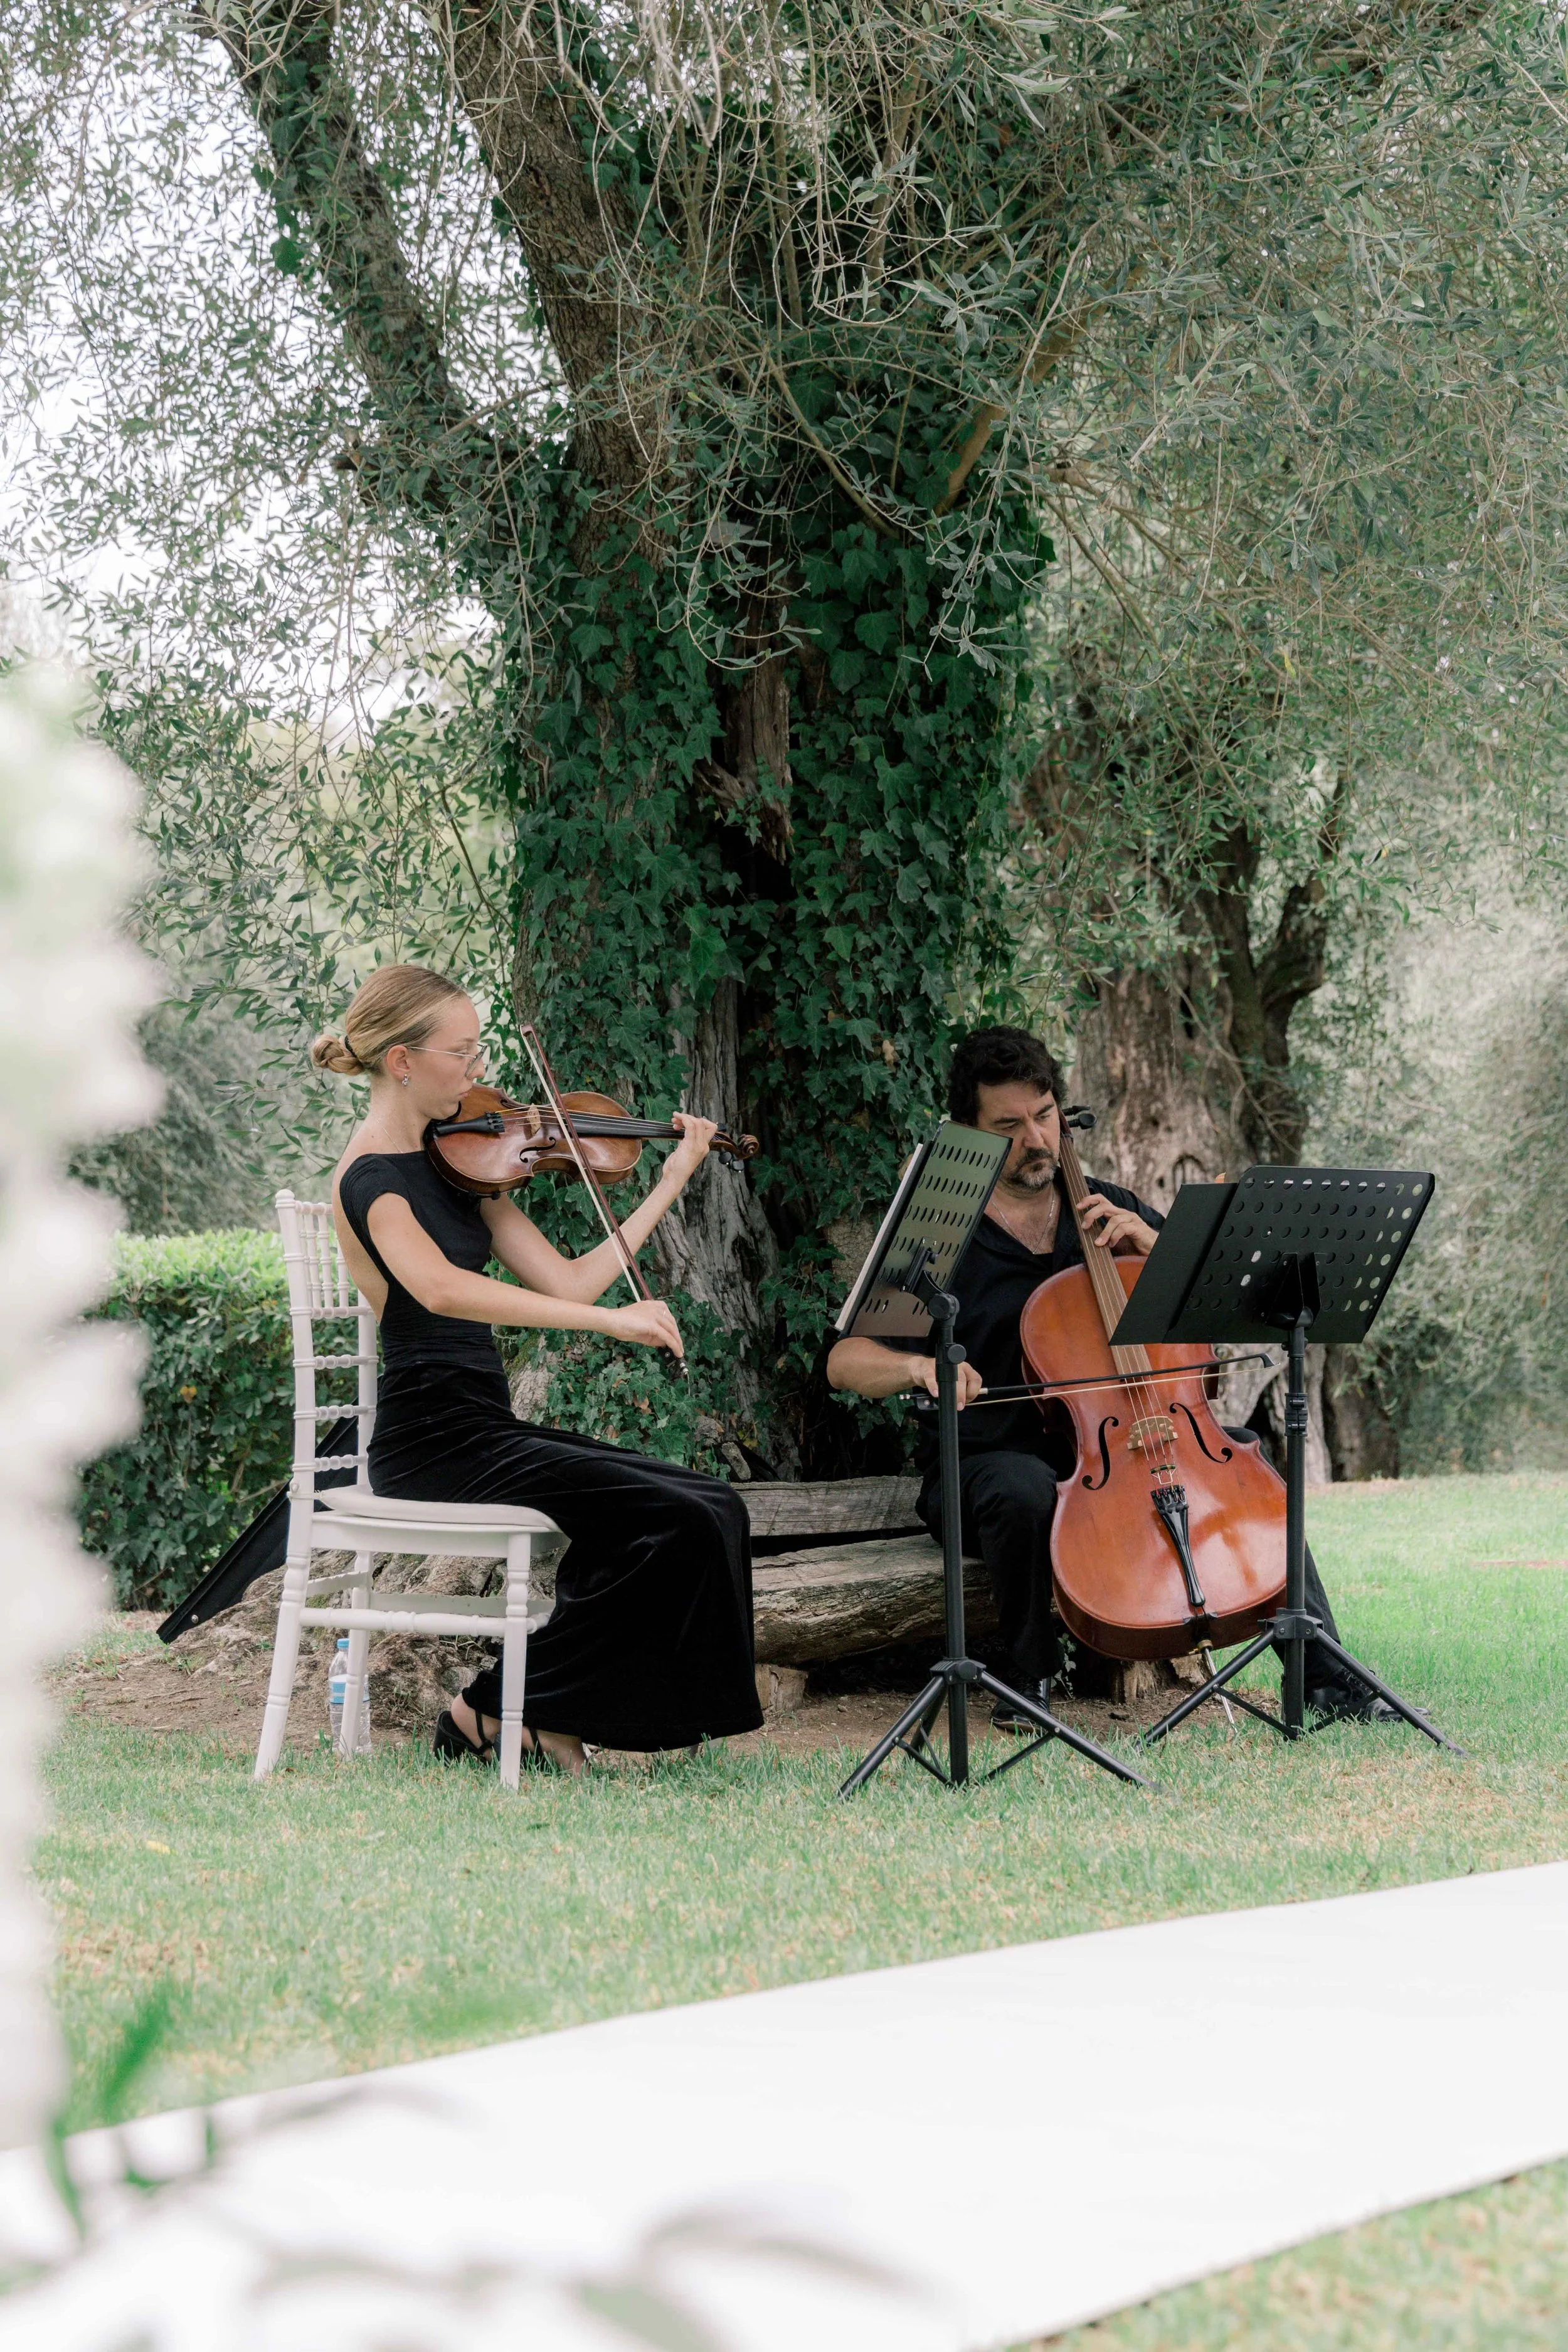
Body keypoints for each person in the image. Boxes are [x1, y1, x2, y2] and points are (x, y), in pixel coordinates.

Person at [825, 1025, 1395, 1727]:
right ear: (967, 1136)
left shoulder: (1109, 1210)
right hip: (991, 1461)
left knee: (1247, 1466)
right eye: (1008, 1126)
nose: (1036, 1139)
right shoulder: (944, 1235)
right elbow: (845, 1362)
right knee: (1022, 1487)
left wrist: (1154, 1245)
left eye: (1044, 1114)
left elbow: (1222, 1316)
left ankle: (1328, 1685)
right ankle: (1026, 1678)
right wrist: (918, 1365)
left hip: (1125, 1446)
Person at [316, 963, 763, 1775]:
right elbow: (443, 1290)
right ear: (403, 1061)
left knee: (709, 1504)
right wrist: (610, 1322)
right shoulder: (370, 1179)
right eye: (463, 1051)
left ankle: (531, 1712)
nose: (479, 1068)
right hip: (432, 1443)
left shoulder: (456, 1159)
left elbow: (567, 1279)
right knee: (682, 1519)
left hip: (484, 1426)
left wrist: (667, 1182)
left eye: (480, 1047)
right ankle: (496, 1708)